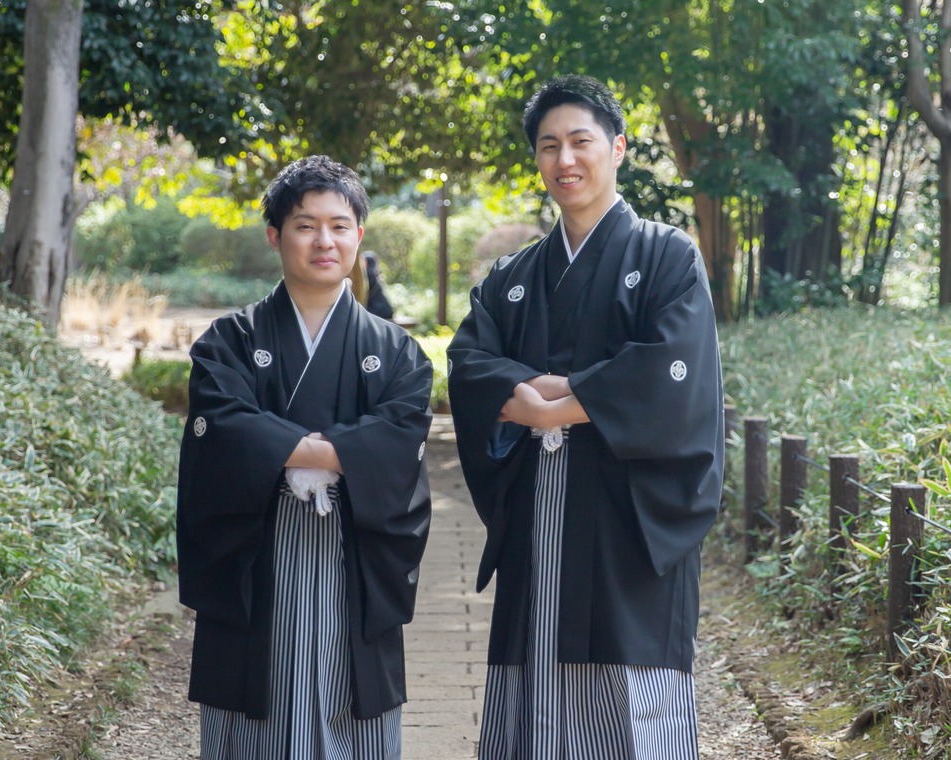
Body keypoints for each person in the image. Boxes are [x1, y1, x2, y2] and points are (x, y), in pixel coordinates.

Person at [447, 75, 724, 759]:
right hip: (539, 522)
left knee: (630, 712)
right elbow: (469, 363)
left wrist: (550, 406)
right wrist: (558, 402)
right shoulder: (513, 276)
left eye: (580, 142)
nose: (564, 161)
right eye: (549, 147)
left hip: (627, 525)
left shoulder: (667, 256)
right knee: (531, 696)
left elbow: (667, 372)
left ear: (619, 147)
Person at [176, 155, 433, 760]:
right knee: (255, 726)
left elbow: (400, 436)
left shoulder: (397, 352)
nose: (325, 241)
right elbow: (224, 426)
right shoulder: (229, 340)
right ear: (275, 235)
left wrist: (293, 447)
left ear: (359, 236)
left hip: (354, 559)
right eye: (305, 225)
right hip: (260, 562)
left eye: (340, 226)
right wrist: (341, 449)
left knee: (351, 713)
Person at [361, 250, 395, 320]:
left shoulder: (367, 275)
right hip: (384, 310)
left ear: (366, 262)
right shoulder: (375, 274)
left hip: (376, 311)